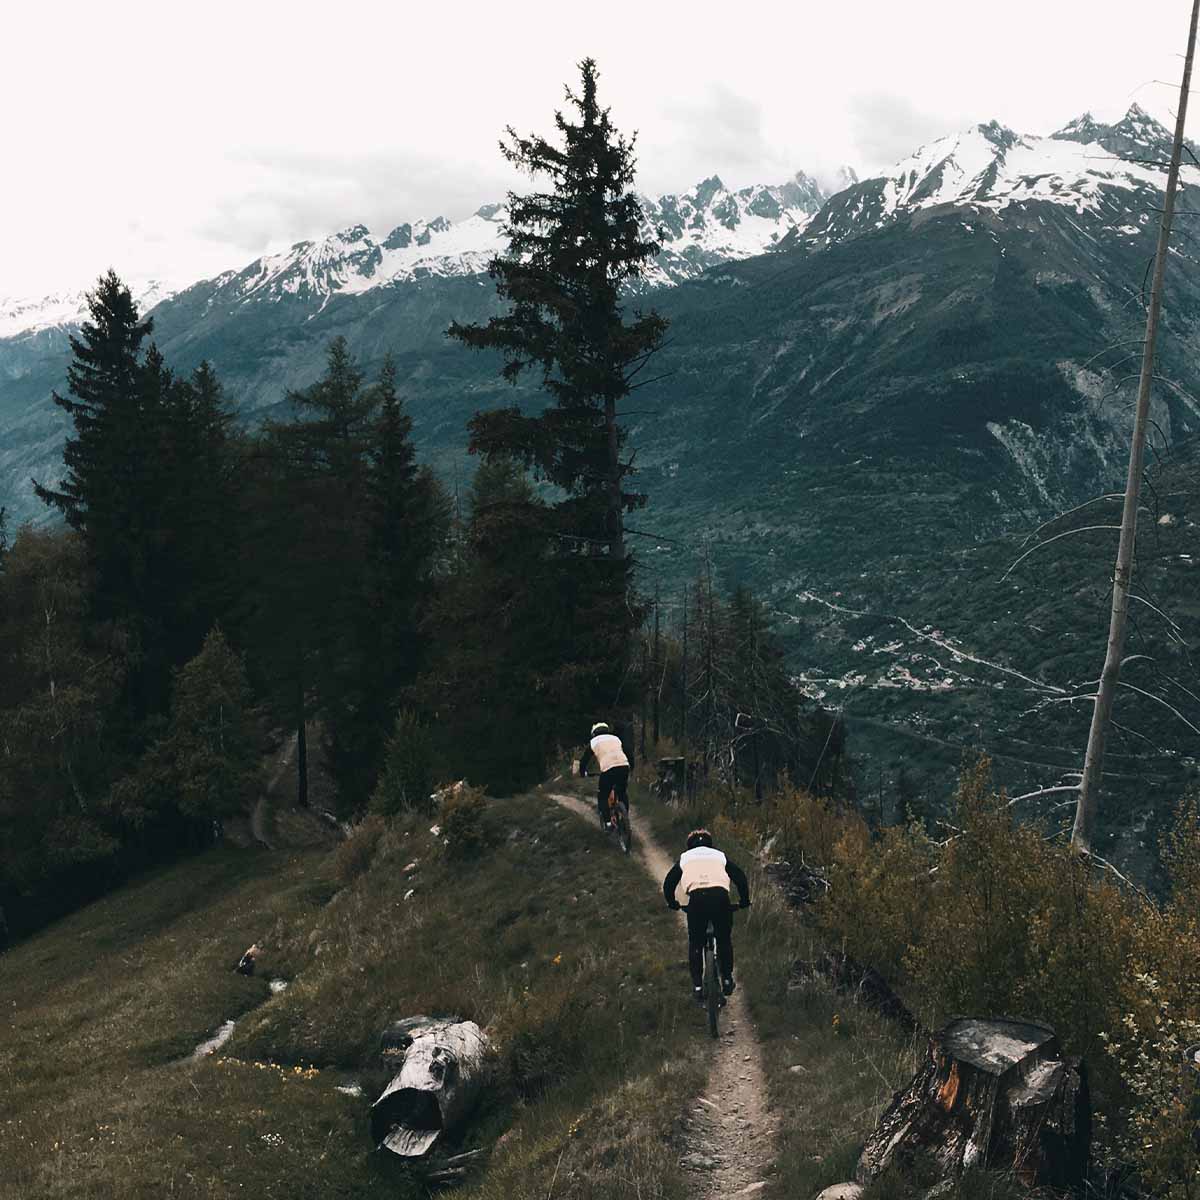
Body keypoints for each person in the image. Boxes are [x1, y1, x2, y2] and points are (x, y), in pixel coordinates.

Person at [662, 829, 750, 1004]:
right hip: (720, 898)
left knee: (696, 942)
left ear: (689, 846)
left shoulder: (685, 857)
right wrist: (744, 900)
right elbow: (740, 877)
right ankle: (726, 978)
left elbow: (669, 882)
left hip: (697, 900)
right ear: (710, 844)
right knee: (724, 939)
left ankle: (697, 986)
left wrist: (672, 902)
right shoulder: (719, 855)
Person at [579, 721, 631, 831]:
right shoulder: (616, 739)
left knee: (602, 795)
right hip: (624, 766)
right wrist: (631, 766)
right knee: (622, 792)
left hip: (608, 769)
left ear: (594, 733)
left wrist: (582, 772)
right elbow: (628, 752)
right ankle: (625, 818)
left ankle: (608, 823)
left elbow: (584, 760)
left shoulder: (594, 742)